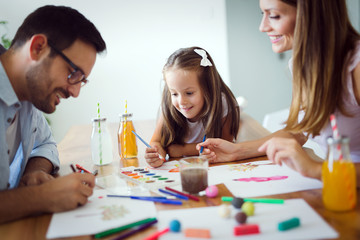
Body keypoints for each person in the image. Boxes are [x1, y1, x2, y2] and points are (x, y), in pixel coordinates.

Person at [197, 0, 360, 184]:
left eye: (273, 15)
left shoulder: (356, 65)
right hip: (338, 187)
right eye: (262, 14)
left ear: (311, 16)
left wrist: (315, 169)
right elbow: (299, 131)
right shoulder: (303, 65)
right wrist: (237, 151)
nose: (262, 27)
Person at [0, 5, 106, 223]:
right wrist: (41, 197)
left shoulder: (28, 95)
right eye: (73, 73)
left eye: (82, 80)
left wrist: (34, 174)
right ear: (38, 48)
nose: (75, 92)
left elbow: (45, 144)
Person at [145, 47, 240, 167]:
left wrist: (180, 150)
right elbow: (157, 142)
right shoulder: (170, 104)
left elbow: (225, 147)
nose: (181, 101)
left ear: (208, 89)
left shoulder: (224, 103)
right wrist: (157, 154)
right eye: (174, 93)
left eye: (189, 93)